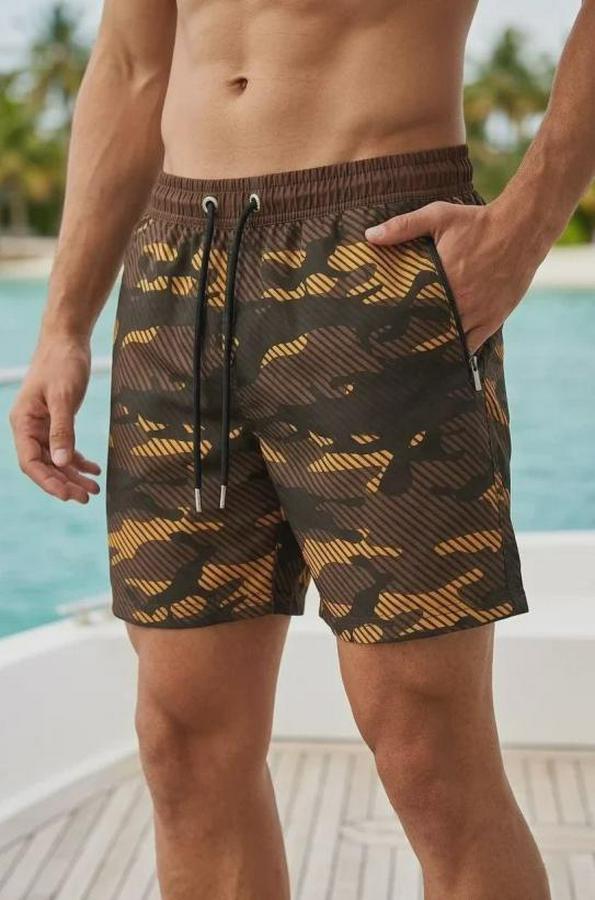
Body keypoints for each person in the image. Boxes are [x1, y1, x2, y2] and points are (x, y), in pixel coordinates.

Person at [9, 0, 595, 897]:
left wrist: (527, 222)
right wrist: (63, 325)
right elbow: (131, 65)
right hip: (175, 271)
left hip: (375, 251)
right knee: (182, 742)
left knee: (425, 750)